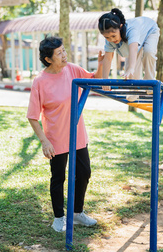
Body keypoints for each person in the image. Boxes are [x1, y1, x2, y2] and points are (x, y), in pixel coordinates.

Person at [27, 36, 104, 232]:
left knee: (84, 172)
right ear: (48, 59)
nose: (64, 55)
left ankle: (77, 213)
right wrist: (44, 141)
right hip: (56, 138)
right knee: (58, 177)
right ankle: (59, 217)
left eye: (64, 50)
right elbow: (32, 116)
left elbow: (96, 80)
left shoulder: (72, 69)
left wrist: (104, 64)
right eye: (59, 53)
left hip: (77, 135)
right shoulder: (40, 82)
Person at [98, 8, 160, 82]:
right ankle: (135, 91)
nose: (111, 40)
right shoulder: (109, 39)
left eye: (113, 36)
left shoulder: (131, 30)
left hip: (150, 30)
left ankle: (150, 83)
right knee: (131, 76)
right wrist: (105, 80)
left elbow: (133, 49)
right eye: (107, 37)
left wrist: (131, 67)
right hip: (132, 44)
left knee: (148, 52)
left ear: (120, 27)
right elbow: (108, 58)